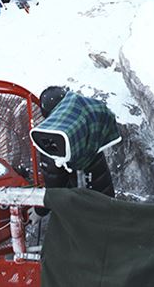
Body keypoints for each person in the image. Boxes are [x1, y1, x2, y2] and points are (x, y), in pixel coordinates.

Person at [30, 87, 118, 216]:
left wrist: (39, 211)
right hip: (104, 200)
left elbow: (54, 186)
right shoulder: (85, 127)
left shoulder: (54, 140)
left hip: (77, 209)